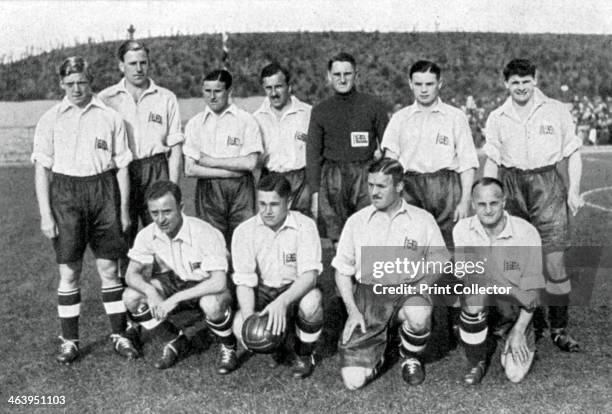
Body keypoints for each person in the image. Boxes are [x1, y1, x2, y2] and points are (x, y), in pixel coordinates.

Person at [32, 56, 136, 364]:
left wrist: (124, 209)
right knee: (70, 271)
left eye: (82, 82)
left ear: (91, 81)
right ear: (61, 84)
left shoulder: (110, 117)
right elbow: (42, 169)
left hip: (103, 192)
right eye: (70, 83)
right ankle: (70, 341)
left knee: (109, 269)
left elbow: (121, 167)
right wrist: (46, 214)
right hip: (66, 195)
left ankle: (119, 334)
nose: (77, 89)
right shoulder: (50, 119)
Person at [483, 59, 584, 352]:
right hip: (512, 187)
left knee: (554, 262)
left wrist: (574, 190)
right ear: (506, 84)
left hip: (548, 185)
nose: (521, 87)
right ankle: (515, 323)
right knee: (513, 260)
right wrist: (488, 197)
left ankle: (559, 327)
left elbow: (573, 152)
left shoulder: (556, 110)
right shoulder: (497, 116)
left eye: (526, 81)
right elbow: (492, 159)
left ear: (535, 80)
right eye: (515, 82)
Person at [332, 158, 449, 389]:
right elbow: (342, 271)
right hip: (370, 297)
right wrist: (352, 310)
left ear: (399, 186)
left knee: (418, 313)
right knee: (353, 382)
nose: (373, 192)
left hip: (408, 291)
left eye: (381, 186)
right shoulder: (356, 222)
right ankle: (380, 353)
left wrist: (422, 285)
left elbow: (442, 259)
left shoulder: (422, 219)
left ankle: (409, 356)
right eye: (370, 185)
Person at [122, 181, 238, 373]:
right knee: (131, 297)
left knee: (211, 304)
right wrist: (151, 291)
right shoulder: (148, 234)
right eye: (154, 213)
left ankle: (229, 346)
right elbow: (130, 275)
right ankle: (175, 341)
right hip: (180, 280)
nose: (161, 220)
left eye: (167, 211)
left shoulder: (204, 232)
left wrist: (174, 299)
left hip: (211, 284)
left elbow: (218, 282)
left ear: (181, 208)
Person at [231, 173, 324, 378]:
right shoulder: (244, 231)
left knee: (312, 302)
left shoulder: (305, 225)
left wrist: (282, 302)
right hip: (263, 290)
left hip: (293, 288)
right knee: (240, 327)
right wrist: (250, 319)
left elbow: (310, 276)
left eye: (274, 204)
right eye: (262, 204)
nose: (267, 211)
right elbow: (245, 282)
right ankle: (277, 346)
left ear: (289, 202)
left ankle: (304, 353)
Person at [453, 178, 545, 384]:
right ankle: (477, 360)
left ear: (503, 201)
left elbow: (533, 291)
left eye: (493, 203)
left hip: (515, 309)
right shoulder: (462, 229)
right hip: (486, 300)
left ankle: (509, 332)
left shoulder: (527, 233)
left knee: (514, 374)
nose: (488, 210)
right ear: (472, 204)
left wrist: (519, 331)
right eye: (481, 204)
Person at [381, 60, 478, 247]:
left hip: (446, 188)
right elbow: (390, 164)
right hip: (410, 187)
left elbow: (468, 163)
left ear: (439, 83)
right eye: (418, 84)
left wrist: (465, 201)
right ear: (410, 84)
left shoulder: (455, 117)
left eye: (429, 84)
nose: (423, 90)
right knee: (411, 246)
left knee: (450, 246)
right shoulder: (400, 118)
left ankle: (450, 277)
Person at [98, 39, 184, 245]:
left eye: (143, 63)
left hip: (155, 169)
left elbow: (175, 148)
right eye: (132, 64)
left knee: (162, 235)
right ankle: (127, 277)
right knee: (123, 231)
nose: (138, 69)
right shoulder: (106, 98)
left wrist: (172, 187)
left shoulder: (166, 97)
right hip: (121, 172)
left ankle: (165, 277)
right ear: (121, 66)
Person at [306, 52, 388, 245]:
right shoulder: (320, 110)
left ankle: (367, 276)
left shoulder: (373, 105)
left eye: (347, 74)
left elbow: (388, 145)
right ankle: (341, 275)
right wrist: (315, 194)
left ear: (356, 75)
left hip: (365, 177)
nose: (342, 79)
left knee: (369, 236)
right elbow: (312, 155)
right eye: (337, 74)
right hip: (333, 179)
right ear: (329, 77)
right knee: (339, 240)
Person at [183, 69, 263, 246]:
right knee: (213, 242)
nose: (212, 97)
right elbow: (190, 169)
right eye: (207, 91)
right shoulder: (195, 123)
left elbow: (250, 163)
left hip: (241, 190)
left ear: (229, 92)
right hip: (209, 188)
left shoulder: (246, 120)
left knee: (243, 240)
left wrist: (211, 161)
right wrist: (230, 172)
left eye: (217, 91)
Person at [254, 62, 312, 216]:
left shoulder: (308, 114)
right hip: (270, 180)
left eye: (278, 86)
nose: (273, 93)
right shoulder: (256, 118)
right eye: (268, 88)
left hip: (301, 183)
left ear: (289, 86)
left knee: (301, 231)